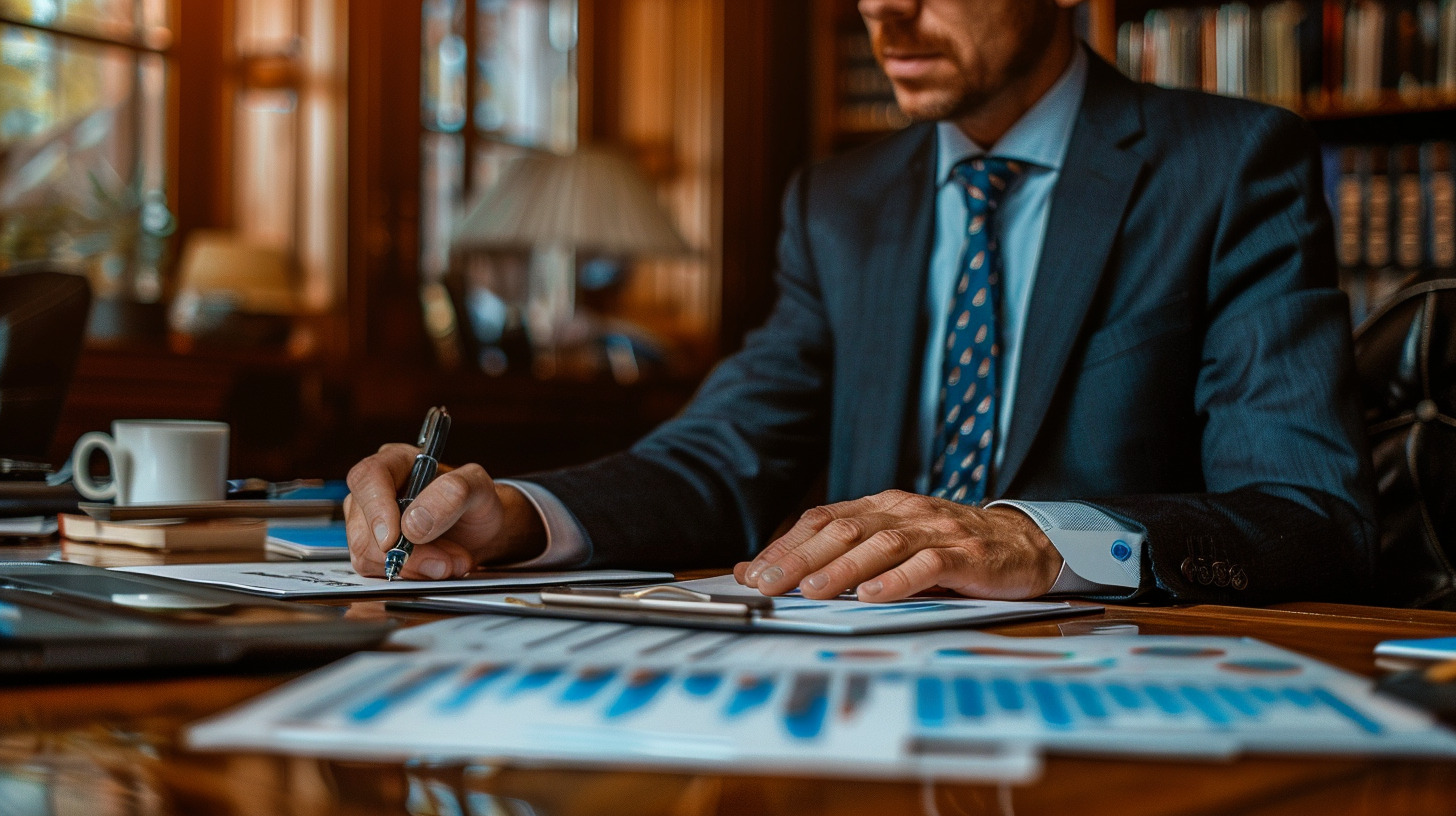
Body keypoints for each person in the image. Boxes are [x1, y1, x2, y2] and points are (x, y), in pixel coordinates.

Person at [345, 0, 1377, 605]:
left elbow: (1309, 510)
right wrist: (516, 517)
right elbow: (720, 456)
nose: (884, 8)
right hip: (845, 676)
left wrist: (1040, 540)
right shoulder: (837, 202)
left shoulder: (1232, 165)